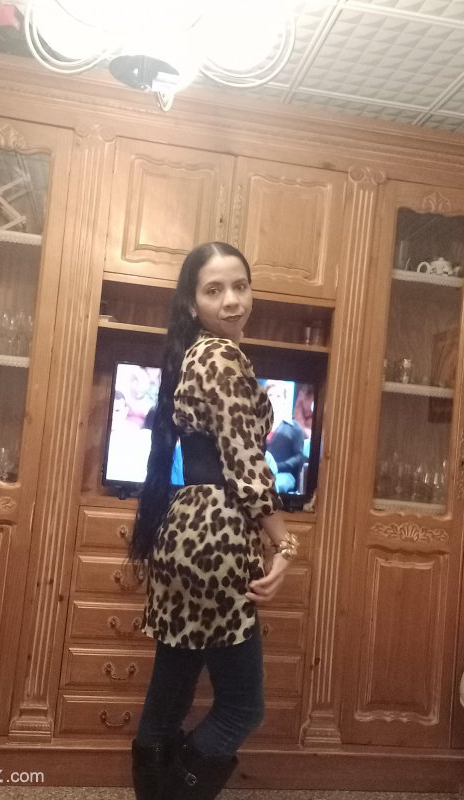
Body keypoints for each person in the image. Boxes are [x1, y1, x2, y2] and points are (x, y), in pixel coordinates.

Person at [128, 242, 299, 800]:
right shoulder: (222, 357)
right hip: (217, 534)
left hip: (185, 530)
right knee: (242, 706)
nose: (232, 301)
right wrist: (284, 544)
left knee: (172, 689)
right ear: (192, 302)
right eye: (214, 290)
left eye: (240, 286)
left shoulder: (197, 353)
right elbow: (247, 465)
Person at [264, 380, 306, 493]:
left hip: (283, 475)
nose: (274, 399)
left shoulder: (294, 427)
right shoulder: (257, 425)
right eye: (270, 395)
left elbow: (299, 457)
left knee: (272, 487)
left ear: (284, 400)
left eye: (278, 396)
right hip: (259, 474)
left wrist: (278, 467)